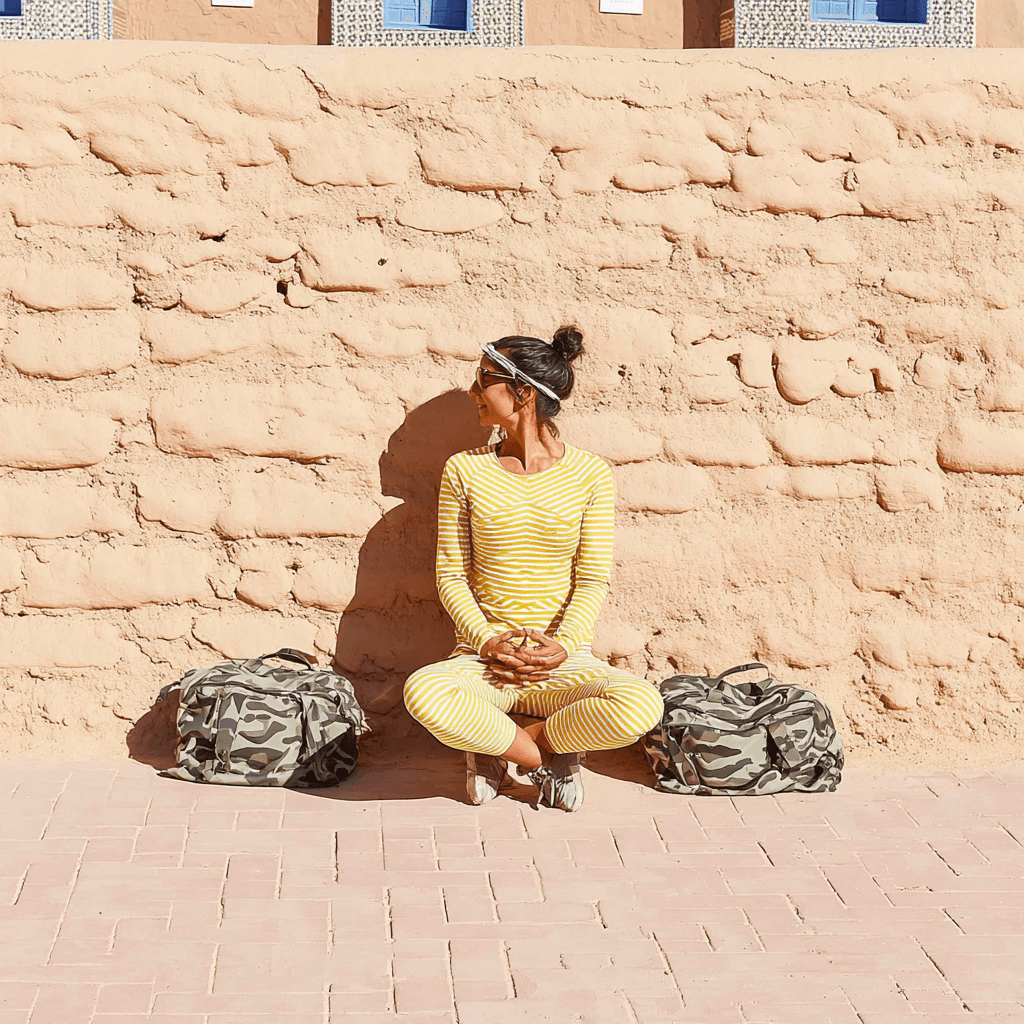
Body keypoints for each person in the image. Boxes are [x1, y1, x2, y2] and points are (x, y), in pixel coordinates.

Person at [402, 326, 664, 811]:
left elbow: (591, 579)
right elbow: (451, 576)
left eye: (485, 379)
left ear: (522, 391)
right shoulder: (465, 469)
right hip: (484, 664)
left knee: (642, 704)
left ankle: (503, 743)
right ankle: (539, 756)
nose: (474, 391)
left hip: (561, 663)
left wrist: (562, 646)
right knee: (424, 691)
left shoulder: (589, 474)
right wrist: (486, 642)